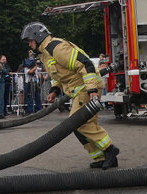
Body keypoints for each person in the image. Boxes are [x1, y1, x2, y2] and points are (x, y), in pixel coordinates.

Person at [22, 21, 119, 169]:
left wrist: (92, 90)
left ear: (38, 36)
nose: (29, 45)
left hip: (85, 89)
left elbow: (85, 64)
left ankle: (110, 150)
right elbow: (61, 74)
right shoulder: (45, 53)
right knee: (79, 125)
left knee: (79, 123)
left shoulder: (56, 48)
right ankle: (101, 157)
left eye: (30, 41)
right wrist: (54, 90)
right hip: (79, 90)